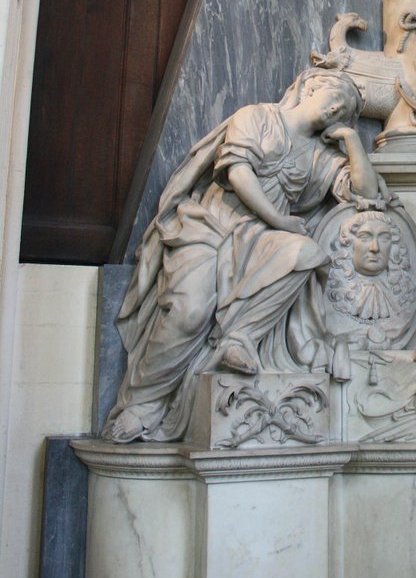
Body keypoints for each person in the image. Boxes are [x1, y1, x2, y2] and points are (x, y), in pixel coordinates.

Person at [104, 68, 384, 442]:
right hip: (211, 227)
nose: (337, 107)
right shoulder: (256, 117)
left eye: (346, 108)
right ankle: (143, 402)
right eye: (335, 95)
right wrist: (279, 219)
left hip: (262, 239)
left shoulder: (321, 158)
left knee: (306, 252)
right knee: (190, 313)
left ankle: (240, 338)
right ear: (308, 86)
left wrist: (351, 139)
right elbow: (238, 173)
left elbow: (366, 192)